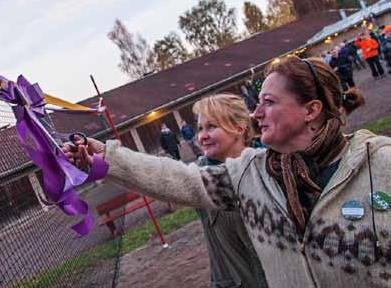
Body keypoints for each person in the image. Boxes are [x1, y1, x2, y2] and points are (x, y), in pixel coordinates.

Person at [65, 55, 391, 288]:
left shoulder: (379, 164)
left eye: (269, 102)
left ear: (311, 110)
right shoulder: (252, 173)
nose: (256, 112)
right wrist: (106, 157)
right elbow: (180, 180)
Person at [192, 94, 267, 288]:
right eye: (200, 128)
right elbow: (163, 178)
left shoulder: (266, 166)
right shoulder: (199, 176)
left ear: (239, 128)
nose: (202, 136)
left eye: (211, 126)